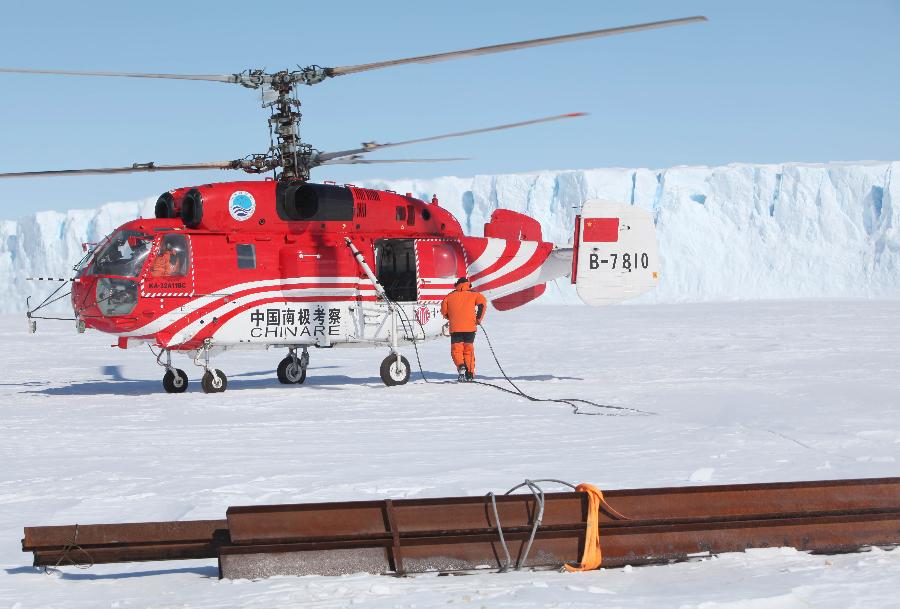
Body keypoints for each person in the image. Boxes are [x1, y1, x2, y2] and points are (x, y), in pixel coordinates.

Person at [440, 277, 487, 382]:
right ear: (468, 284)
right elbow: (483, 303)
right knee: (468, 350)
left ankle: (461, 366)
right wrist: (478, 318)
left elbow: (443, 310)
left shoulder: (450, 296)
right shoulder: (474, 294)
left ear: (457, 285)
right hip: (470, 328)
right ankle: (469, 373)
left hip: (455, 328)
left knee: (456, 350)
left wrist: (450, 317)